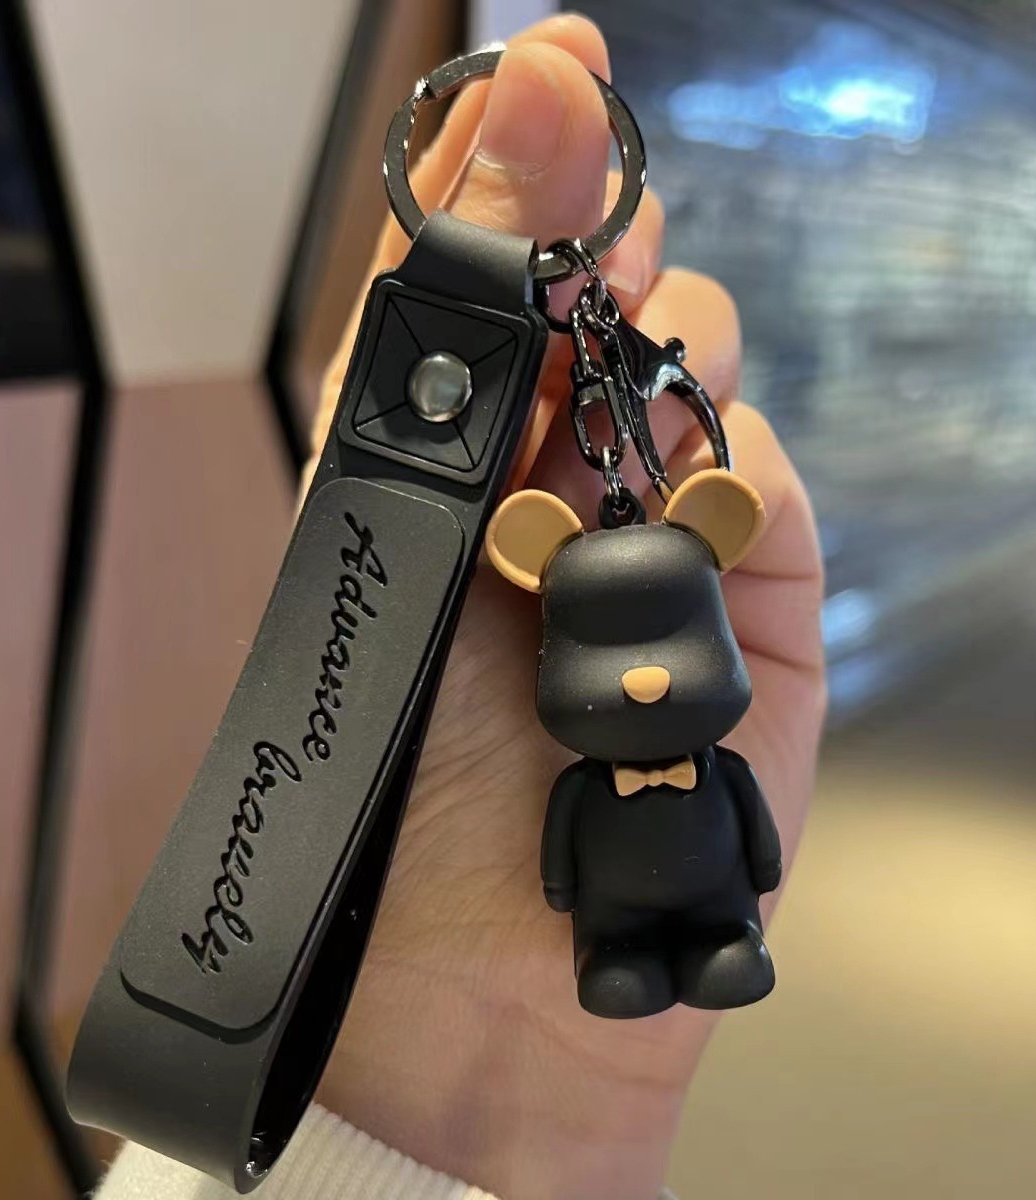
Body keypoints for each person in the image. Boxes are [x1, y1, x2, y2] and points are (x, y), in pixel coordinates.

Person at [97, 15, 825, 1200]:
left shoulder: (703, 756)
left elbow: (744, 838)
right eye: (614, 647)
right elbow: (566, 865)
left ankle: (713, 947)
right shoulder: (585, 767)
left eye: (668, 639)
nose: (646, 675)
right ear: (534, 571)